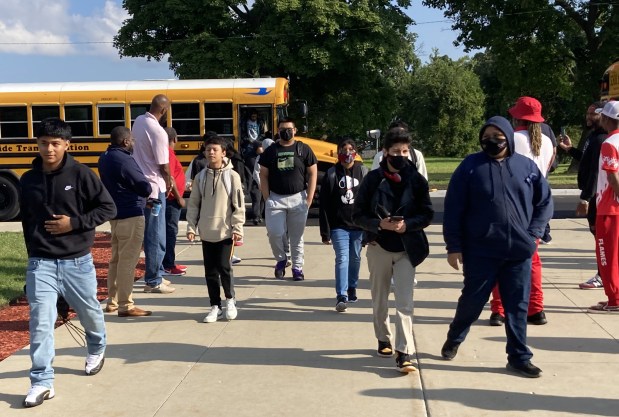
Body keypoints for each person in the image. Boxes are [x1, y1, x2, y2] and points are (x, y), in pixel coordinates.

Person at [441, 116, 553, 378]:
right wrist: (453, 246)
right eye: (487, 136)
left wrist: (534, 234)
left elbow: (544, 202)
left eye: (497, 135)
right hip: (481, 251)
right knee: (472, 301)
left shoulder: (526, 167)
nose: (492, 140)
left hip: (519, 251)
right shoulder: (470, 167)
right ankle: (455, 337)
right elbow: (453, 208)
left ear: (508, 137)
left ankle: (519, 356)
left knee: (517, 306)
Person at [20, 117, 117, 407]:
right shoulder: (28, 180)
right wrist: (31, 262)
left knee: (89, 313)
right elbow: (27, 223)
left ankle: (97, 347)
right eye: (43, 143)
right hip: (41, 263)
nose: (49, 149)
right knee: (40, 323)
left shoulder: (81, 174)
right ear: (37, 144)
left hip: (77, 262)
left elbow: (108, 207)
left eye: (55, 143)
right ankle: (41, 381)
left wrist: (74, 224)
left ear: (66, 145)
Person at [353, 127, 433, 373]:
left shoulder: (417, 180)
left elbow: (427, 213)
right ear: (385, 152)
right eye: (396, 151)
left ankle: (404, 352)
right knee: (380, 299)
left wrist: (407, 225)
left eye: (406, 151)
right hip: (379, 246)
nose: (401, 155)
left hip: (407, 248)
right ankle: (383, 338)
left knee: (405, 303)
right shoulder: (373, 179)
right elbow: (357, 215)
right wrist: (378, 224)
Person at [488, 96, 554, 326]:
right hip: (538, 206)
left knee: (500, 257)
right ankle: (536, 309)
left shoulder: (511, 138)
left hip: (513, 203)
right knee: (532, 259)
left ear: (516, 117)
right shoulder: (547, 141)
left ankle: (499, 309)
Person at [186, 135, 245, 322]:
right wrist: (191, 227)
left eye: (215, 149)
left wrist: (237, 228)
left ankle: (230, 300)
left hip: (225, 231)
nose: (211, 152)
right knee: (210, 271)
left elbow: (238, 205)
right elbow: (194, 204)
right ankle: (215, 306)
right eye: (208, 149)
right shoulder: (201, 177)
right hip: (206, 232)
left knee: (224, 267)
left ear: (223, 153)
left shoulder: (232, 176)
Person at [98, 126, 153, 317]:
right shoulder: (123, 159)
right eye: (133, 141)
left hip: (115, 213)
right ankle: (125, 305)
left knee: (116, 260)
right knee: (128, 262)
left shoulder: (105, 156)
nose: (134, 144)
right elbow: (143, 187)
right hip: (131, 213)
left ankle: (112, 301)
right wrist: (146, 189)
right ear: (125, 141)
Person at [259, 118, 318, 280]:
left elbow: (313, 173)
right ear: (278, 131)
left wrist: (309, 198)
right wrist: (267, 197)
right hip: (275, 199)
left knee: (296, 237)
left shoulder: (303, 149)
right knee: (274, 233)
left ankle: (297, 268)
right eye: (282, 129)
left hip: (298, 198)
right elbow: (263, 174)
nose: (286, 131)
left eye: (289, 129)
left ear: (295, 130)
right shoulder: (271, 151)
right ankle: (281, 259)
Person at [558, 101, 607, 289]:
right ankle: (605, 274)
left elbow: (595, 171)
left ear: (603, 116)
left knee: (601, 240)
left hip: (597, 197)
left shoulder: (601, 139)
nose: (588, 117)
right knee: (600, 239)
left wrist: (586, 198)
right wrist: (570, 150)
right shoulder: (593, 137)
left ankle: (603, 275)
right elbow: (587, 161)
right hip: (594, 196)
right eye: (588, 113)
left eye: (592, 114)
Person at [131, 94, 175, 294]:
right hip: (155, 189)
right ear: (164, 110)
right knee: (155, 234)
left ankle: (156, 272)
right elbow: (163, 164)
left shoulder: (139, 121)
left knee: (154, 232)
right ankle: (153, 279)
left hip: (142, 184)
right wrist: (170, 179)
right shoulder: (159, 131)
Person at [319, 138, 369, 312]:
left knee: (355, 258)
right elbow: (324, 205)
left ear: (355, 153)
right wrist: (325, 232)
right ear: (338, 152)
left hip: (358, 226)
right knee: (342, 258)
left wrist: (370, 229)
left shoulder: (363, 172)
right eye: (343, 149)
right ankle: (341, 295)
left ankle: (352, 286)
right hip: (338, 226)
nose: (347, 153)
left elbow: (370, 202)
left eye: (350, 149)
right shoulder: (331, 174)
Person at [588, 101, 619, 313]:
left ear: (608, 119)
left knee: (607, 256)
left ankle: (614, 299)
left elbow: (612, 174)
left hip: (610, 208)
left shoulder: (610, 142)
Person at [162, 127, 187, 276]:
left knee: (169, 231)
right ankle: (168, 264)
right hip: (172, 200)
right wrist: (179, 197)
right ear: (175, 139)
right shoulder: (168, 153)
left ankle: (169, 262)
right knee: (170, 232)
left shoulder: (167, 153)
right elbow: (169, 177)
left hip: (170, 198)